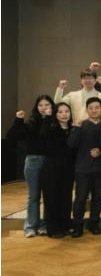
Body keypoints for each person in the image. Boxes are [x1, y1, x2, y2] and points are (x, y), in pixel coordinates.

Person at [7, 95, 55, 237]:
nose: (44, 107)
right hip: (33, 161)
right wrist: (18, 120)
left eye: (47, 104)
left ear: (52, 106)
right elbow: (12, 136)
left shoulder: (54, 123)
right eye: (41, 105)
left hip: (49, 162)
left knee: (48, 196)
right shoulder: (31, 123)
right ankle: (30, 226)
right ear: (36, 107)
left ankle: (45, 225)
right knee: (33, 196)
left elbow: (46, 135)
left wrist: (48, 119)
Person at [68, 97, 101, 237]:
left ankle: (94, 224)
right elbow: (71, 144)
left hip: (100, 168)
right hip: (82, 168)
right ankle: (77, 226)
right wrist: (76, 128)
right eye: (91, 108)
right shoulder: (81, 125)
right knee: (80, 198)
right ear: (87, 110)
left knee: (97, 198)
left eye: (97, 107)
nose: (94, 110)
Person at [40, 102, 75, 238]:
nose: (64, 114)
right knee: (52, 198)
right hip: (51, 168)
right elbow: (43, 135)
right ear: (55, 114)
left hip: (68, 169)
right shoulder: (51, 127)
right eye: (60, 112)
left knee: (66, 198)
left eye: (66, 111)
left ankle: (65, 225)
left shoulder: (73, 128)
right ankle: (53, 229)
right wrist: (47, 118)